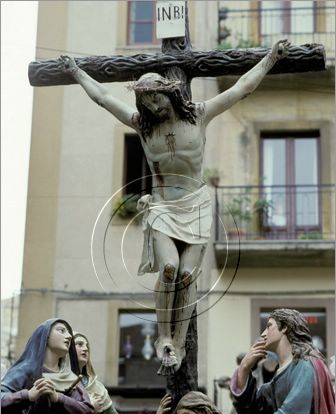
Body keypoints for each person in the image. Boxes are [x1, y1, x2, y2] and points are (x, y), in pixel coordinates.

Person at [60, 40, 290, 373]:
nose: (154, 105)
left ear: (169, 93)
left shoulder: (198, 114)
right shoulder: (142, 126)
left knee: (186, 276)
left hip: (196, 206)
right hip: (163, 208)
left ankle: (178, 344)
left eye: (157, 97)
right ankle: (163, 337)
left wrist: (270, 59)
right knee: (168, 269)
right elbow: (104, 98)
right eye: (147, 100)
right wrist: (77, 72)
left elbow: (241, 88)